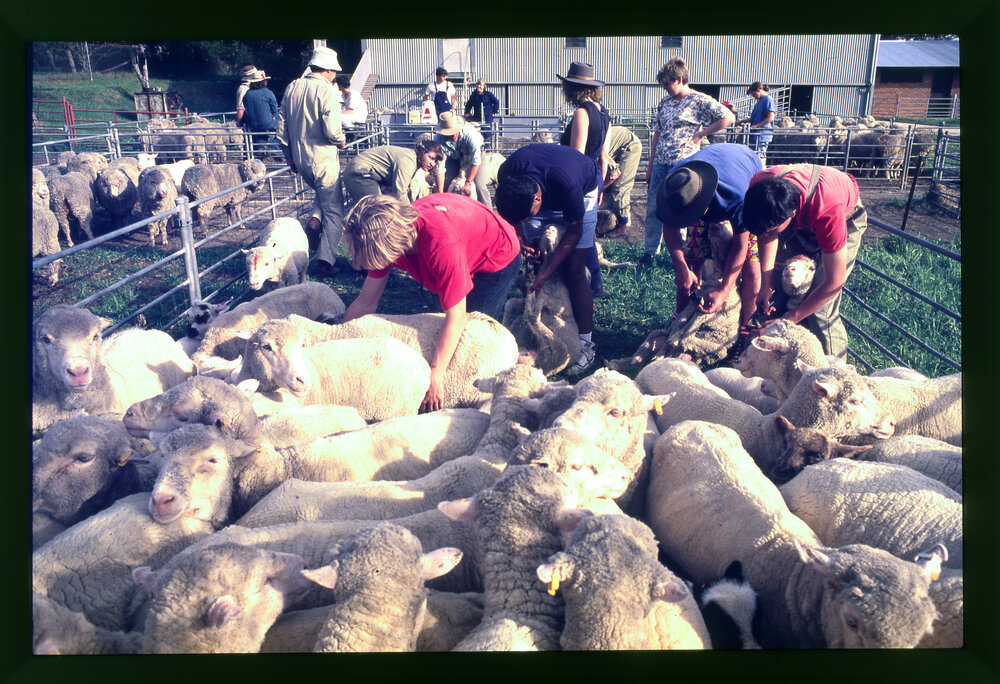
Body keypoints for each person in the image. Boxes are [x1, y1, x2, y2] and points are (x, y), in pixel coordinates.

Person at [341, 193, 522, 411]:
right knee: (446, 332)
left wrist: (435, 374)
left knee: (474, 340)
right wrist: (338, 340)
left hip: (495, 256)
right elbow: (366, 302)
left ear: (390, 247)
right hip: (459, 242)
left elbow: (457, 318)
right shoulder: (387, 233)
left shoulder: (441, 245)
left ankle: (484, 397)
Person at [494, 143, 602, 375]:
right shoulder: (508, 175)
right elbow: (512, 217)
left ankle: (585, 343)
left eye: (527, 215)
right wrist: (522, 239)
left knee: (574, 266)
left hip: (581, 191)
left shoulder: (569, 184)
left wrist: (546, 274)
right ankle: (536, 328)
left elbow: (573, 232)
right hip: (539, 191)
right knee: (536, 260)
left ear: (536, 198)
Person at [741, 163, 868, 360]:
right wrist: (766, 285)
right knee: (779, 292)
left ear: (791, 216)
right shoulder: (761, 186)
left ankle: (834, 375)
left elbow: (834, 282)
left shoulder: (827, 209)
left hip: (842, 218)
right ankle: (779, 365)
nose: (765, 233)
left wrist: (790, 319)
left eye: (770, 229)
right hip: (794, 218)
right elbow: (766, 234)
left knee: (821, 311)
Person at [653, 143, 764, 351]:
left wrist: (723, 290)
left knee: (752, 268)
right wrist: (681, 268)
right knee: (692, 257)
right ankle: (679, 325)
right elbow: (670, 227)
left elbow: (741, 246)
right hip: (703, 185)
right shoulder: (675, 188)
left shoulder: (738, 196)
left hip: (744, 178)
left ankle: (746, 337)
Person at [643, 56, 735, 264]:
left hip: (683, 162)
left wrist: (701, 134)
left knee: (681, 205)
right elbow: (657, 132)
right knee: (653, 206)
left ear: (680, 79)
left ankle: (682, 253)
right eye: (663, 83)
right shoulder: (664, 102)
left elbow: (728, 117)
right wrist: (650, 164)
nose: (665, 87)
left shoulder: (699, 100)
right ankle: (650, 252)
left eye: (668, 83)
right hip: (661, 160)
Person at [276, 46, 347, 278]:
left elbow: (281, 126)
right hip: (323, 158)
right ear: (327, 70)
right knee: (335, 209)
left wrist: (289, 156)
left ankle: (315, 221)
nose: (334, 75)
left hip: (300, 158)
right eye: (333, 71)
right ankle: (325, 261)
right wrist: (341, 140)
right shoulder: (328, 91)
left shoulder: (292, 87)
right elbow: (332, 130)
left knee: (323, 195)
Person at [557, 61, 611, 299]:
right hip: (595, 176)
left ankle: (585, 284)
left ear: (572, 88)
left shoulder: (582, 112)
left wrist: (571, 186)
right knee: (587, 234)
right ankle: (595, 285)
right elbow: (604, 154)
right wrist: (601, 184)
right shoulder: (604, 112)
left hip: (579, 177)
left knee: (577, 232)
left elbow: (575, 156)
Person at [342, 138, 442, 206]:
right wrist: (413, 215)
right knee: (378, 210)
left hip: (365, 173)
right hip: (360, 173)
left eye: (435, 160)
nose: (432, 163)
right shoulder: (408, 161)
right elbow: (399, 194)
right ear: (422, 152)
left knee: (380, 209)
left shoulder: (412, 160)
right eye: (431, 158)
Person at [433, 112, 493, 210]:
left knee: (479, 185)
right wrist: (440, 195)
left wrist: (468, 182)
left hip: (474, 154)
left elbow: (476, 161)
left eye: (454, 131)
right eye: (449, 133)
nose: (453, 135)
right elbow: (440, 168)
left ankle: (490, 215)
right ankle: (448, 211)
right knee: (446, 183)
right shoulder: (438, 139)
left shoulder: (471, 136)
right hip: (453, 155)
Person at [601, 124, 643, 238]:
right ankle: (614, 219)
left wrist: (601, 189)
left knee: (620, 187)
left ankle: (622, 226)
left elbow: (615, 174)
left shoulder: (594, 151)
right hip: (617, 145)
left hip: (630, 145)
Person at [240, 70, 279, 152]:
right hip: (267, 123)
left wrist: (241, 121)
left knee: (259, 132)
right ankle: (273, 148)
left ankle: (260, 148)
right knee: (283, 131)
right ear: (264, 81)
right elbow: (275, 110)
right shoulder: (268, 93)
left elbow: (246, 109)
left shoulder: (247, 94)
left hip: (252, 124)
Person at [737, 82, 776, 162]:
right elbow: (755, 118)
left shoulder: (768, 100)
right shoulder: (760, 101)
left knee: (759, 157)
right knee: (754, 157)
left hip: (762, 134)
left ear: (758, 90)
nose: (753, 96)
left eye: (753, 94)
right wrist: (741, 121)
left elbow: (771, 117)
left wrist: (757, 125)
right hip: (756, 134)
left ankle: (761, 173)